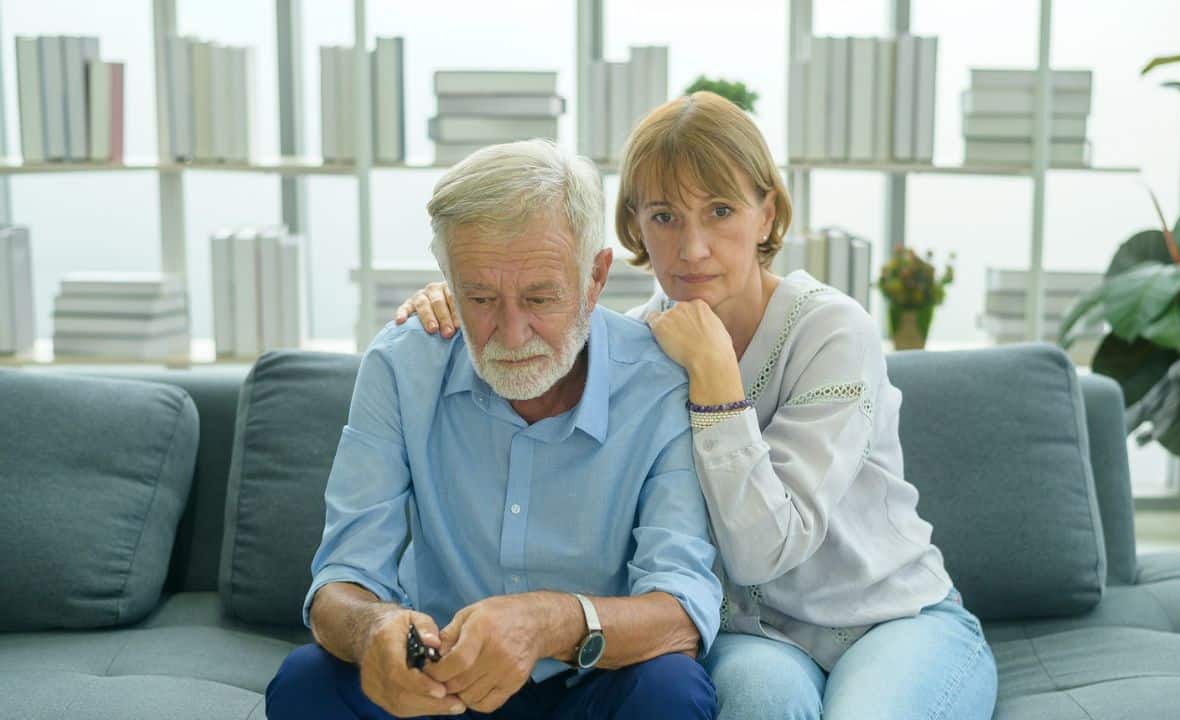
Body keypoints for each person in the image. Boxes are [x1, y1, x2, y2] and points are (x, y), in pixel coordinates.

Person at [397, 92, 999, 720]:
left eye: (720, 211)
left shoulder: (832, 332)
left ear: (767, 214)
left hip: (893, 620)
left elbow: (766, 551)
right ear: (634, 225)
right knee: (757, 706)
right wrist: (457, 297)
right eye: (664, 216)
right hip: (752, 637)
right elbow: (531, 314)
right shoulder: (634, 347)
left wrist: (714, 379)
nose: (692, 248)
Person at [267, 139, 723, 719]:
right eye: (480, 297)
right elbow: (341, 579)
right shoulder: (402, 365)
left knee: (670, 689)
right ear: (447, 278)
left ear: (595, 277)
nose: (510, 334)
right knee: (306, 680)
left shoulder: (659, 382)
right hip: (438, 687)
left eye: (540, 297)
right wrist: (373, 628)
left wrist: (553, 622)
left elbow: (683, 608)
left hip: (589, 683)